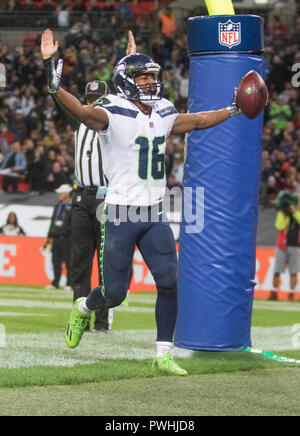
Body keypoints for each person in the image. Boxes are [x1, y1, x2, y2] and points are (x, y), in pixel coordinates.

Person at [41, 28, 242, 376]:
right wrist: (54, 84)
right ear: (127, 81)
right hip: (120, 212)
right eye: (143, 77)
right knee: (114, 293)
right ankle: (84, 307)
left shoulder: (163, 109)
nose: (151, 83)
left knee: (168, 280)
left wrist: (234, 109)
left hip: (155, 213)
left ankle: (163, 353)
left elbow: (196, 120)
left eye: (152, 77)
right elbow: (83, 113)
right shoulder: (111, 110)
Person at [269, 190, 300, 302]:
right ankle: (273, 293)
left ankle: (291, 295)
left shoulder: (298, 213)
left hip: (295, 246)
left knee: (293, 271)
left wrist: (294, 212)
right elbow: (279, 226)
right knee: (277, 270)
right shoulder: (282, 212)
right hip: (281, 245)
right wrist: (283, 212)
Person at [45, 184, 72, 290]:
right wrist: (49, 235)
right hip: (56, 237)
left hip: (67, 238)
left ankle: (69, 283)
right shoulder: (57, 206)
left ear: (67, 194)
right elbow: (52, 221)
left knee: (68, 262)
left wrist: (67, 232)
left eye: (61, 193)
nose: (59, 195)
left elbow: (72, 223)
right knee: (55, 261)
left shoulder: (72, 206)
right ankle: (55, 282)